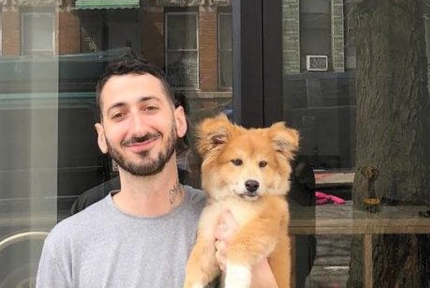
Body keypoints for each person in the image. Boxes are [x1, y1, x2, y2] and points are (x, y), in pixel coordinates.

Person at [35, 59, 277, 287]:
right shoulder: (66, 244)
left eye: (150, 108)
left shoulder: (235, 224)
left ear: (179, 121)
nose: (138, 129)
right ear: (102, 136)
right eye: (119, 115)